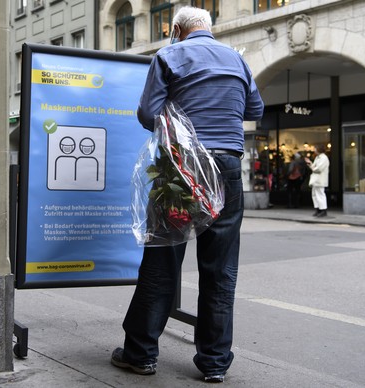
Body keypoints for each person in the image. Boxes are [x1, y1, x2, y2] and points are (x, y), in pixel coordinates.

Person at [111, 6, 264, 383]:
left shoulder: (169, 55)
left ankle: (141, 354)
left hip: (182, 169)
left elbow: (148, 115)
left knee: (163, 259)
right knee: (221, 269)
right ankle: (214, 363)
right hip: (226, 168)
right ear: (209, 29)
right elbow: (255, 109)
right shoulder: (237, 60)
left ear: (176, 29)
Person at [305, 145, 330, 217]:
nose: (314, 150)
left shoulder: (324, 158)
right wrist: (310, 164)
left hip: (320, 179)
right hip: (316, 180)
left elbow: (318, 168)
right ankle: (318, 209)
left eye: (315, 149)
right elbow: (314, 167)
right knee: (315, 195)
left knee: (320, 194)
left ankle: (323, 210)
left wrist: (312, 167)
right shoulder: (317, 157)